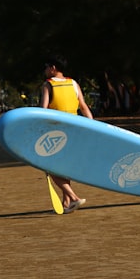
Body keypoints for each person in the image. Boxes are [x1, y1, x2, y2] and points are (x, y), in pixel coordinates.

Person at [40, 55, 94, 213]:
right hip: (75, 131)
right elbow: (83, 106)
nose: (45, 70)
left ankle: (74, 197)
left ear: (53, 68)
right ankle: (67, 202)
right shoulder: (73, 83)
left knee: (49, 167)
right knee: (64, 167)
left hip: (56, 132)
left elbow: (43, 111)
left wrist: (40, 132)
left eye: (46, 67)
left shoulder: (48, 85)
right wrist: (92, 125)